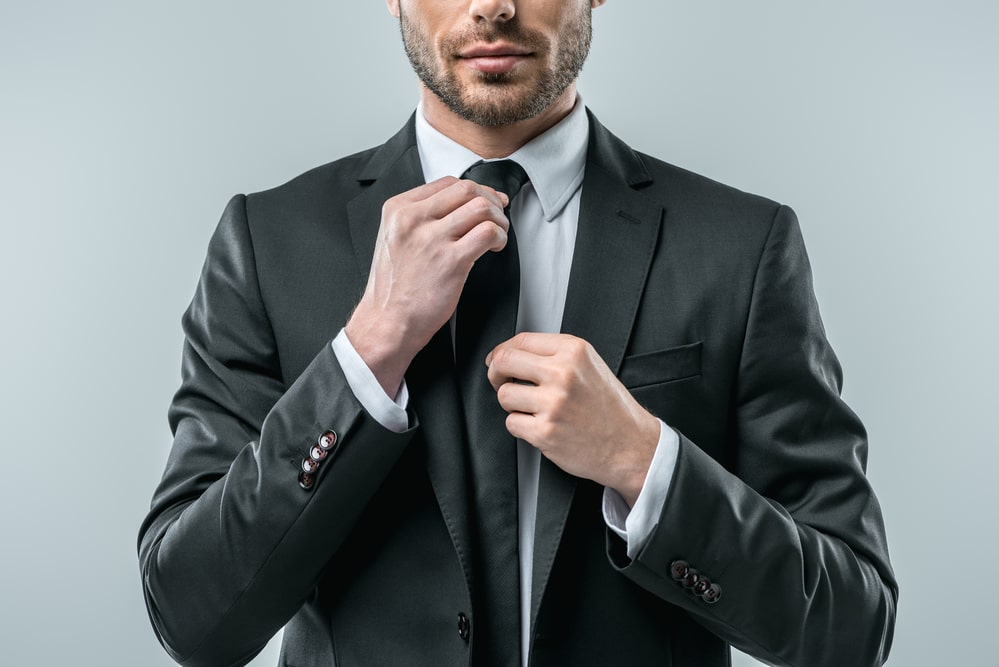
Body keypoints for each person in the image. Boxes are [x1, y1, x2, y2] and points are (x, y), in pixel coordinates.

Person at [137, 1, 898, 665]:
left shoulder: (741, 247)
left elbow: (850, 624)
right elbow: (193, 620)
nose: (494, 5)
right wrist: (366, 356)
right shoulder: (267, 244)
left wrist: (644, 462)